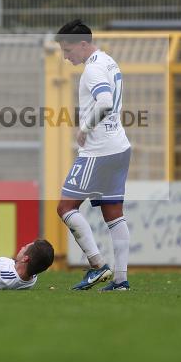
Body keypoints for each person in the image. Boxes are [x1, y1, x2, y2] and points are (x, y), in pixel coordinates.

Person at [54, 19, 132, 291]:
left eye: (68, 50)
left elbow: (105, 102)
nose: (66, 56)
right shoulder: (109, 61)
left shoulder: (93, 69)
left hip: (99, 151)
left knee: (65, 208)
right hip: (119, 147)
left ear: (83, 44)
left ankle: (98, 266)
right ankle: (121, 280)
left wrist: (85, 128)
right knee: (114, 215)